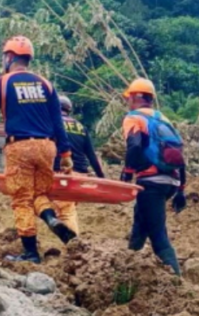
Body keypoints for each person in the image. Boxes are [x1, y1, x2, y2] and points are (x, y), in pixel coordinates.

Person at [0, 35, 74, 264]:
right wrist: (65, 155)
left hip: (20, 146)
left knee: (21, 199)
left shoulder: (2, 83)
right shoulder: (46, 84)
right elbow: (58, 122)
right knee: (39, 193)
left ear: (9, 57)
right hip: (47, 146)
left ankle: (31, 254)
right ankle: (51, 218)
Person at [119, 78, 187, 276]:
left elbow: (134, 145)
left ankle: (177, 281)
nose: (128, 102)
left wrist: (128, 173)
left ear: (136, 97)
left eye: (129, 97)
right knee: (141, 223)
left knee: (158, 234)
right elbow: (179, 153)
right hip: (171, 181)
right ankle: (127, 269)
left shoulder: (134, 118)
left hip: (151, 182)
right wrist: (181, 189)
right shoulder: (163, 119)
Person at [53, 95, 105, 235]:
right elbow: (91, 155)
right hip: (80, 175)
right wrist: (102, 177)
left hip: (62, 174)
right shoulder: (81, 127)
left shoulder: (52, 124)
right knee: (66, 208)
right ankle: (66, 243)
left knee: (65, 212)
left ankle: (74, 245)